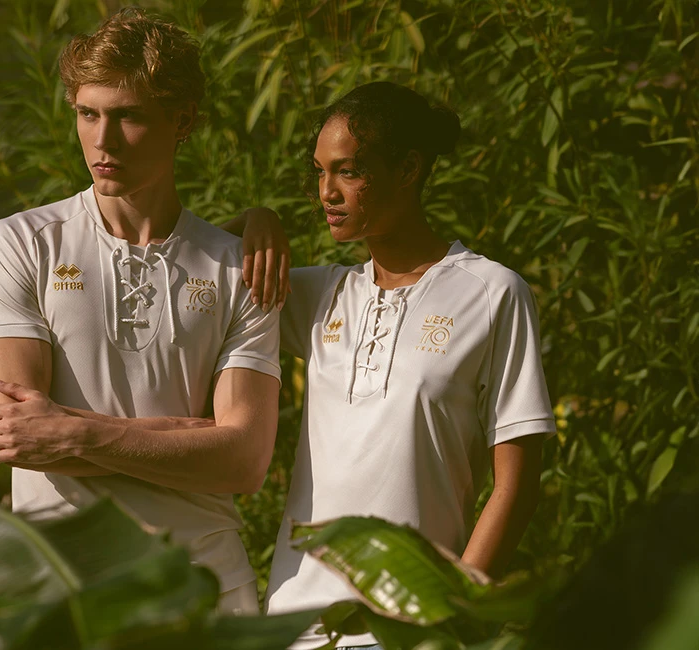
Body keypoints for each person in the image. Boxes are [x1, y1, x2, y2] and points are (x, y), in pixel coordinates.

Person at [0, 7, 282, 614]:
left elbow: (243, 462)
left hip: (207, 588)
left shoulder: (240, 265)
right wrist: (188, 437)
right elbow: (22, 437)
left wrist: (80, 431)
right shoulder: (21, 243)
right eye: (88, 114)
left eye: (128, 116)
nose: (102, 140)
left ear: (182, 119)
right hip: (63, 589)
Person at [238, 82, 556, 648]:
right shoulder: (320, 294)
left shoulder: (491, 293)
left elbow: (517, 484)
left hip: (411, 629)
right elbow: (194, 261)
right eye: (320, 172)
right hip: (296, 624)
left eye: (349, 171)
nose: (327, 192)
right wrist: (257, 219)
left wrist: (456, 612)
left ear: (408, 169)